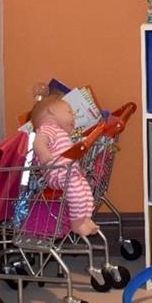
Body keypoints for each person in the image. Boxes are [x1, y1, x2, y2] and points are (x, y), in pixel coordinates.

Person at [30, 94, 99, 239]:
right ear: (52, 111)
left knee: (86, 190)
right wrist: (43, 154)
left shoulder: (60, 133)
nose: (73, 117)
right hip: (57, 173)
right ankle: (77, 223)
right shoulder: (47, 128)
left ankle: (85, 219)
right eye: (69, 112)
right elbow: (38, 143)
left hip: (68, 172)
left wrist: (77, 168)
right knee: (76, 191)